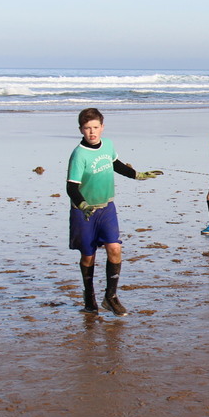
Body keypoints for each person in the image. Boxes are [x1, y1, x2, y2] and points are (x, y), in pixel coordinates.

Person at [67, 108, 162, 316]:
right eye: (87, 128)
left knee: (115, 248)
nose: (92, 132)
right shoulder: (79, 155)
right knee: (88, 257)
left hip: (107, 207)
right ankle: (89, 297)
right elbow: (71, 187)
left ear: (102, 127)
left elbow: (115, 164)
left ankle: (110, 297)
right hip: (84, 212)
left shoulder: (108, 145)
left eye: (95, 127)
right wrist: (83, 206)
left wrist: (137, 175)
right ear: (81, 130)